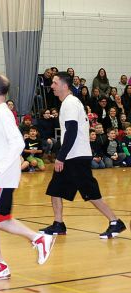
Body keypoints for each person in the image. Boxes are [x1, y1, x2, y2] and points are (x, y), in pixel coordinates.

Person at [0, 73, 54, 281]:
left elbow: (18, 143)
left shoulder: (2, 113)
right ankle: (38, 239)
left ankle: (0, 265)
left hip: (0, 178)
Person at [40, 72, 126, 238]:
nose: (52, 86)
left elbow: (71, 132)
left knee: (90, 192)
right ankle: (58, 224)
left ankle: (115, 222)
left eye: (55, 83)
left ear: (64, 86)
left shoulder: (70, 103)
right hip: (72, 155)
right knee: (55, 189)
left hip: (76, 156)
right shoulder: (69, 103)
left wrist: (60, 156)